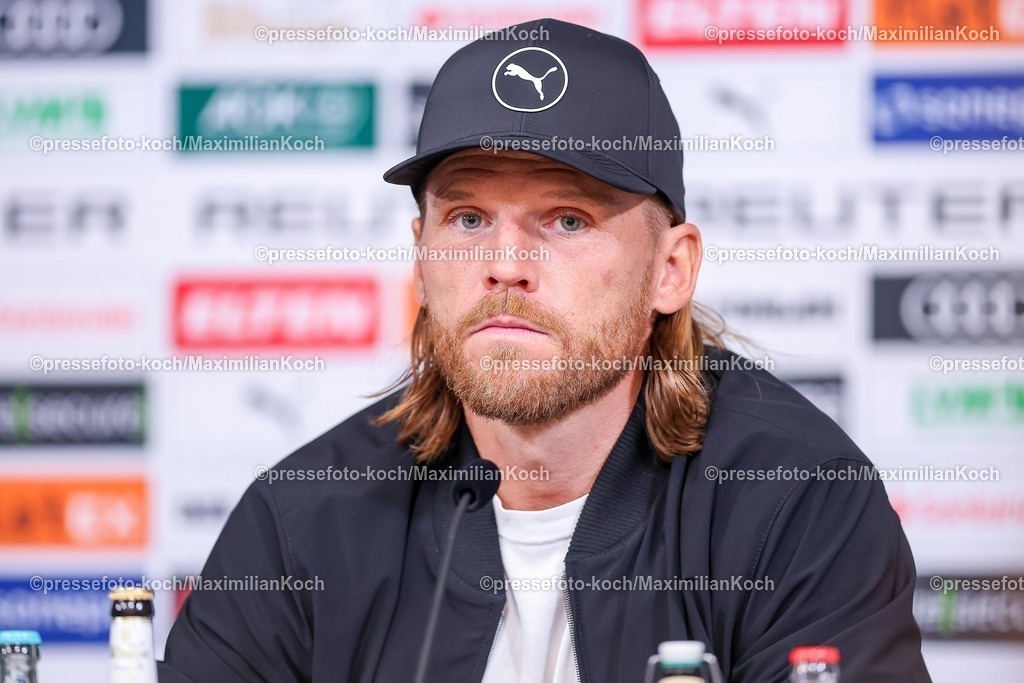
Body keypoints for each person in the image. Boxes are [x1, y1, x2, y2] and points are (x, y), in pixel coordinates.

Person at [158, 18, 931, 682]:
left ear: (670, 269)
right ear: (421, 255)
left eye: (566, 219)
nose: (505, 263)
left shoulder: (796, 499)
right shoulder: (303, 520)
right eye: (467, 219)